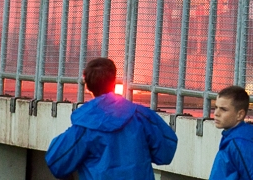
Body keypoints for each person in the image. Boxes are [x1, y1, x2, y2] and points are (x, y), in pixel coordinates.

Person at [45, 58, 177, 180]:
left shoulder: (85, 125)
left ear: (88, 87)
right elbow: (166, 152)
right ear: (114, 82)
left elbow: (56, 162)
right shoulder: (141, 116)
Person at [209, 86, 253, 180]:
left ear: (240, 115)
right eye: (216, 107)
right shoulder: (231, 139)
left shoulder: (241, 144)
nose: (216, 113)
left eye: (223, 109)